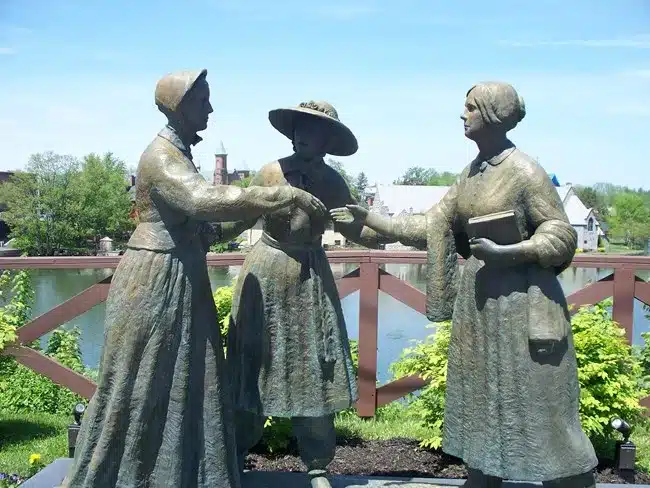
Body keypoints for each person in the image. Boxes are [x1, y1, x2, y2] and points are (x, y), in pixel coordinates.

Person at [61, 70, 327, 488]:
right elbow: (201, 199)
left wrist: (251, 214)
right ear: (180, 105)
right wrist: (283, 194)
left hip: (183, 272)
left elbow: (206, 228)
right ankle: (121, 475)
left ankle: (180, 473)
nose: (210, 108)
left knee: (187, 374)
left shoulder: (181, 153)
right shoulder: (161, 156)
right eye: (203, 101)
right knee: (140, 376)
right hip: (156, 276)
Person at [330, 82, 598, 488]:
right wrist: (370, 220)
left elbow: (561, 234)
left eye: (470, 108)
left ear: (491, 115)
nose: (463, 115)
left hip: (522, 306)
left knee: (542, 407)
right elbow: (433, 224)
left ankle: (569, 483)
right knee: (481, 400)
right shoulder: (470, 175)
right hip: (481, 309)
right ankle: (482, 478)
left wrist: (510, 251)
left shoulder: (525, 171)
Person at [226, 101, 386, 488]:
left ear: (327, 140)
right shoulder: (271, 172)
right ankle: (233, 453)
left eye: (311, 129)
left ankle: (317, 465)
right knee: (252, 366)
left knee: (316, 369)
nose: (301, 134)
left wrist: (382, 230)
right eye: (297, 127)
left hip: (309, 281)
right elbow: (240, 216)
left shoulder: (332, 182)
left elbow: (358, 231)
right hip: (265, 273)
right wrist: (202, 233)